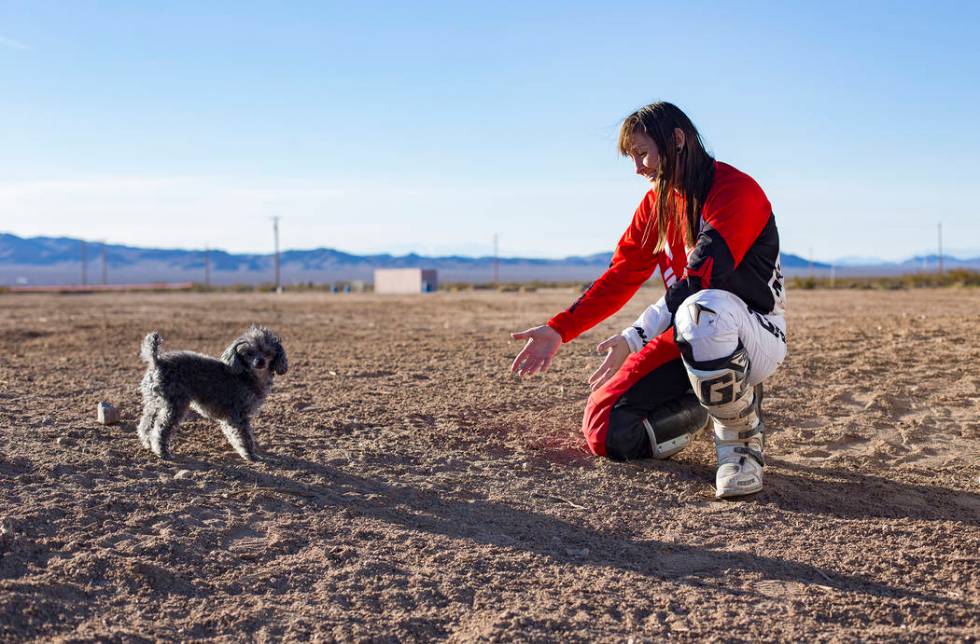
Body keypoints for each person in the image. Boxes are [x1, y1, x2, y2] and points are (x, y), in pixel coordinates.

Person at [510, 101, 786, 498]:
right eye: (632, 157)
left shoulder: (735, 191)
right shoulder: (656, 205)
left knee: (703, 310)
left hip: (752, 335)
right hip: (687, 332)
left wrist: (635, 336)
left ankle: (741, 444)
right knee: (606, 432)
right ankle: (708, 405)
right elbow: (622, 274)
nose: (638, 168)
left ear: (676, 140)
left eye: (642, 153)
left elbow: (701, 279)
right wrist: (559, 329)